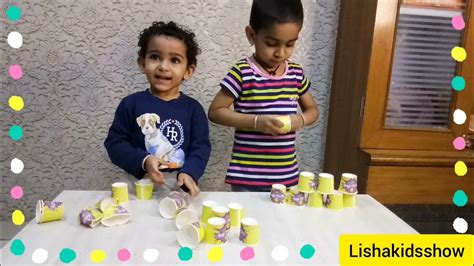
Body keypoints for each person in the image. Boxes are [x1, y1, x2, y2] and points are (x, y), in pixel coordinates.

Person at [208, 0, 319, 192]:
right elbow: (215, 112)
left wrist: (299, 120)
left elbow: (313, 110)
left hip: (286, 176)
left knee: (282, 221)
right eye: (271, 43)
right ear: (251, 35)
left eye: (290, 44)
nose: (280, 53)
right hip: (247, 178)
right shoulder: (242, 72)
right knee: (245, 222)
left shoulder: (295, 73)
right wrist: (257, 122)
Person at [104, 21, 211, 197]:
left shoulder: (193, 109)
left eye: (175, 60)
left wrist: (190, 172)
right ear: (142, 63)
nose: (163, 66)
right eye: (155, 57)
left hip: (179, 183)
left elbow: (201, 148)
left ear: (188, 71)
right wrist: (145, 160)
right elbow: (115, 144)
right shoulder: (130, 104)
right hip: (137, 183)